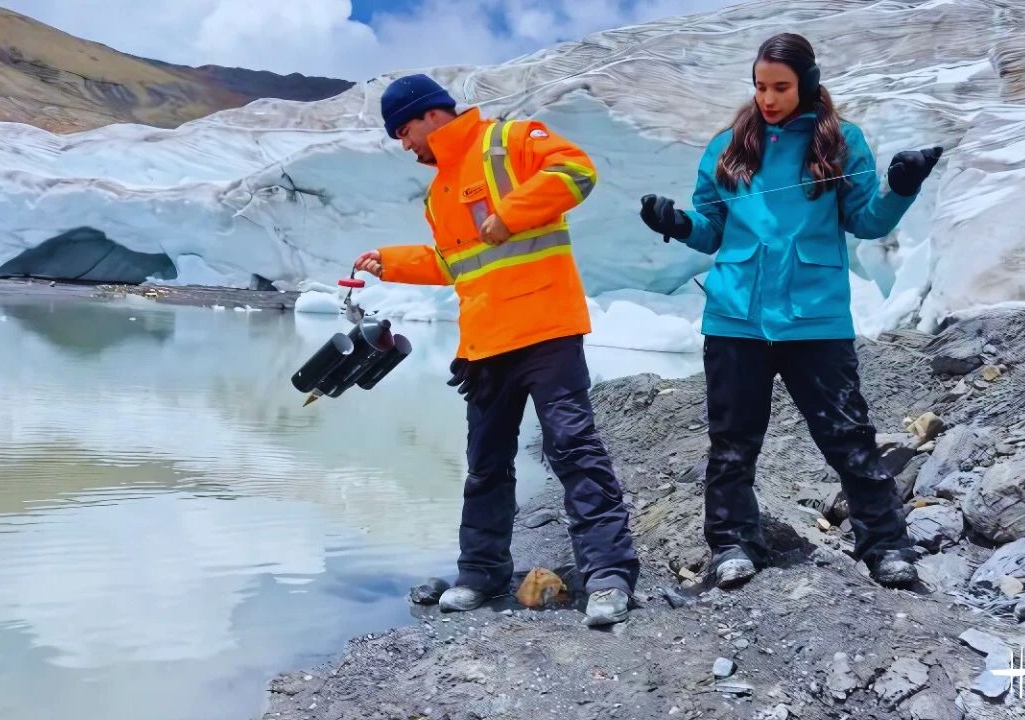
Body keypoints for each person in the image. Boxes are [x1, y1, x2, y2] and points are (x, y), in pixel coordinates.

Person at [637, 32, 942, 589]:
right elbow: (710, 231)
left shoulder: (841, 141)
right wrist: (676, 223)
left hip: (815, 319)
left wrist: (902, 185)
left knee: (848, 438)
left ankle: (886, 547)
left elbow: (868, 221)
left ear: (809, 83)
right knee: (732, 443)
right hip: (736, 319)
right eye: (760, 87)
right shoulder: (728, 146)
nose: (768, 98)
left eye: (780, 87)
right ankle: (731, 545)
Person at [354, 73, 640, 626]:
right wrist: (391, 261)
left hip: (547, 329)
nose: (403, 144)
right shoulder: (439, 191)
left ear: (428, 115)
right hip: (486, 342)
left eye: (403, 131)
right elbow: (455, 262)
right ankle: (480, 574)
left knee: (574, 452)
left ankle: (607, 575)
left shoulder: (507, 140)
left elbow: (577, 171)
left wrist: (509, 214)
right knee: (486, 466)